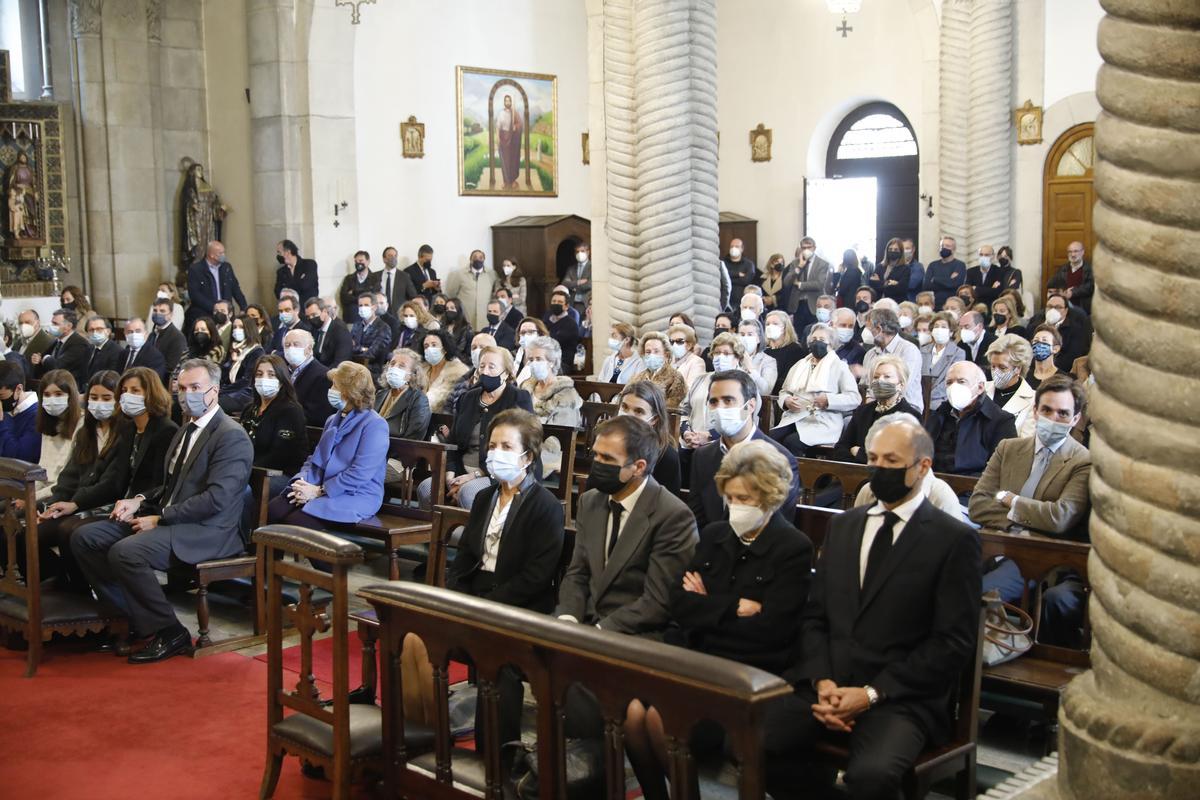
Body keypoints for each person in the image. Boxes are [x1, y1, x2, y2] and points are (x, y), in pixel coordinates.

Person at [763, 414, 981, 800]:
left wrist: (870, 694)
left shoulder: (952, 540)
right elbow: (815, 617)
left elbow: (952, 643)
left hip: (900, 698)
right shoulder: (845, 526)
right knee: (753, 742)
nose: (879, 470)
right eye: (873, 460)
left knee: (871, 777)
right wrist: (823, 681)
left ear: (922, 467)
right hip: (830, 684)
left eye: (891, 462)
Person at [625, 439, 813, 800]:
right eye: (732, 498)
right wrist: (732, 609)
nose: (736, 507)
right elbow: (679, 604)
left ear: (770, 498)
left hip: (747, 674)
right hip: (698, 660)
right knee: (633, 714)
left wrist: (708, 605)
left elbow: (771, 630)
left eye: (746, 499)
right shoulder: (714, 535)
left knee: (657, 721)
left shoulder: (792, 547)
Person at [391, 409, 565, 746]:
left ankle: (497, 760)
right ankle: (424, 739)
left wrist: (486, 606)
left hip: (520, 605)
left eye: (506, 447)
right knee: (412, 636)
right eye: (493, 445)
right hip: (478, 595)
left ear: (527, 457)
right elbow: (467, 556)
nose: (495, 453)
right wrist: (459, 596)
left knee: (498, 663)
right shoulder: (486, 497)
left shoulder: (544, 505)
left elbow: (537, 576)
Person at [72, 359, 253, 662]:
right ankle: (130, 620)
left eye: (195, 388)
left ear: (215, 391)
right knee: (86, 538)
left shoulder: (230, 435)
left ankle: (170, 631)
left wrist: (160, 518)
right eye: (182, 388)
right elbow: (170, 485)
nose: (187, 395)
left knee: (127, 552)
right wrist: (139, 500)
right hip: (173, 518)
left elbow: (216, 500)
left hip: (209, 530)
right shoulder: (185, 431)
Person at [968, 375, 1091, 645]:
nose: (1053, 418)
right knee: (939, 584)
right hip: (994, 546)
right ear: (1035, 410)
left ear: (1074, 419)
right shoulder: (1009, 448)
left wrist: (1010, 500)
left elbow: (1060, 517)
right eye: (1046, 410)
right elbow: (978, 505)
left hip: (1039, 558)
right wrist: (1021, 521)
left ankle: (979, 668)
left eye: (1063, 413)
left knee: (977, 594)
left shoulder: (1082, 461)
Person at [556, 415, 698, 637]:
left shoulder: (673, 516)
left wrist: (599, 632)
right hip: (584, 623)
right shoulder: (591, 501)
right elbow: (578, 573)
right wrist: (568, 618)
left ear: (639, 467)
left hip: (635, 634)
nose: (597, 464)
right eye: (596, 455)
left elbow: (657, 601)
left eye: (608, 458)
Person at [39, 368, 176, 595]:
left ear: (150, 393)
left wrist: (136, 504)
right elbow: (113, 477)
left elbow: (161, 484)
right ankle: (75, 591)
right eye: (124, 390)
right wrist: (74, 503)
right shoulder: (129, 428)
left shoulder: (165, 430)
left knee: (72, 531)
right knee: (65, 527)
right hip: (118, 502)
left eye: (135, 390)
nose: (128, 395)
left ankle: (98, 597)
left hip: (144, 507)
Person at [267, 362, 388, 534]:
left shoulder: (375, 425)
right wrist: (303, 482)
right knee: (274, 509)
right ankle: (269, 560)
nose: (331, 390)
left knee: (297, 520)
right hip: (319, 487)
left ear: (350, 391)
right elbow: (314, 459)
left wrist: (319, 491)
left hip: (355, 494)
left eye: (335, 386)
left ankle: (338, 560)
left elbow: (360, 473)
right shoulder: (333, 419)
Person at [690, 369, 800, 530]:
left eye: (728, 400)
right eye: (713, 402)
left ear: (750, 406)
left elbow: (779, 527)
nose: (719, 408)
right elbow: (697, 518)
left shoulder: (781, 458)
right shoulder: (702, 456)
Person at [427, 346, 533, 510]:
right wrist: (450, 474)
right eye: (482, 366)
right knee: (427, 488)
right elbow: (453, 441)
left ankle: (475, 535)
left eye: (492, 367)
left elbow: (523, 445)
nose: (485, 371)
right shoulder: (468, 397)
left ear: (506, 373)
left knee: (468, 492)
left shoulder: (518, 398)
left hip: (498, 472)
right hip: (461, 469)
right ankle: (435, 535)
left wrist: (474, 476)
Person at [770, 324, 861, 457]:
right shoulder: (800, 364)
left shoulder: (840, 367)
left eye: (822, 340)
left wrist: (828, 400)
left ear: (831, 344)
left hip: (822, 422)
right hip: (796, 416)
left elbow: (854, 398)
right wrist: (787, 400)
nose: (816, 343)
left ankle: (799, 476)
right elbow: (784, 391)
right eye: (814, 339)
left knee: (792, 442)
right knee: (771, 439)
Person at [925, 360, 1018, 475]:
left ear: (980, 387)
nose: (954, 387)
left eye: (961, 381)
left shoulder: (1001, 421)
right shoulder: (939, 414)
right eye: (949, 382)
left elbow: (1001, 471)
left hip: (971, 488)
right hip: (932, 483)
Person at [834, 355, 920, 463]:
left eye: (887, 377)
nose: (880, 381)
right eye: (876, 377)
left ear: (901, 384)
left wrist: (859, 453)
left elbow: (899, 459)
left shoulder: (910, 416)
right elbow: (840, 449)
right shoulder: (862, 411)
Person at [238, 354, 309, 475]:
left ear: (281, 380)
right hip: (246, 471)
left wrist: (245, 470)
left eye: (271, 375)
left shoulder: (291, 411)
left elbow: (279, 456)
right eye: (259, 374)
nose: (264, 379)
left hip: (276, 475)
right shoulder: (249, 409)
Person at [520, 336, 582, 478]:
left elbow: (558, 440)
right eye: (530, 359)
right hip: (521, 447)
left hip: (548, 454)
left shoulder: (566, 395)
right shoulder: (525, 388)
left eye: (539, 359)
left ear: (552, 362)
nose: (533, 363)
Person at [679, 332, 745, 457]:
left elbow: (744, 416)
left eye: (726, 353)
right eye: (717, 353)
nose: (720, 357)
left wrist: (709, 435)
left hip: (726, 446)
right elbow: (684, 410)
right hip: (690, 442)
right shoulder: (701, 379)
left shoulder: (745, 382)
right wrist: (686, 433)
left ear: (737, 357)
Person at [617, 381, 681, 496]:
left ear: (653, 419)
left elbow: (668, 505)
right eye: (624, 407)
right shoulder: (606, 445)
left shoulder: (667, 456)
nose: (629, 415)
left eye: (638, 411)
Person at [861, 307, 924, 413]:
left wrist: (873, 400)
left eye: (869, 328)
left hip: (906, 407)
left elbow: (903, 385)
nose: (867, 332)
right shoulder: (870, 354)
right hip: (874, 406)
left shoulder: (909, 350)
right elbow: (865, 385)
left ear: (879, 329)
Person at [35, 369, 83, 500]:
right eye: (47, 395)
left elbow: (68, 480)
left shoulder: (82, 424)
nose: (52, 400)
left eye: (58, 394)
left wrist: (32, 498)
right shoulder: (48, 423)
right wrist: (27, 495)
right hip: (41, 491)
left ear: (70, 396)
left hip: (63, 493)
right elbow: (42, 470)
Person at [185, 240, 248, 332]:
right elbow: (195, 295)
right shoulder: (196, 269)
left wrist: (243, 307)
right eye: (221, 253)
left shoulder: (226, 267)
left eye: (224, 252)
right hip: (205, 313)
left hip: (226, 313)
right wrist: (215, 308)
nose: (224, 255)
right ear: (211, 255)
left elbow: (235, 288)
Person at [985, 334, 1037, 437]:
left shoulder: (1033, 400)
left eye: (1002, 367)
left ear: (1017, 368)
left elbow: (1025, 442)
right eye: (993, 366)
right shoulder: (981, 389)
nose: (996, 372)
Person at [1027, 293, 1093, 373]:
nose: (1053, 310)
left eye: (1058, 307)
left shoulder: (1075, 330)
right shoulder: (1034, 325)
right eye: (1050, 306)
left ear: (1065, 311)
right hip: (1033, 371)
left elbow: (1071, 358)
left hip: (1060, 373)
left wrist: (1049, 368)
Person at [376, 348, 432, 439]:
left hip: (396, 449)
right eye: (392, 364)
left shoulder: (418, 399)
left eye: (401, 366)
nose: (394, 368)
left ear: (412, 375)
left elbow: (414, 436)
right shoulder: (380, 394)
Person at [284, 328, 335, 426]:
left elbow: (316, 416)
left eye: (296, 344)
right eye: (287, 345)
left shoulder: (322, 376)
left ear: (309, 348)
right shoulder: (284, 370)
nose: (291, 348)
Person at [217, 314, 264, 413]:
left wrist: (222, 391)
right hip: (230, 391)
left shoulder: (256, 352)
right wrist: (232, 361)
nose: (236, 330)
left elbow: (247, 381)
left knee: (215, 404)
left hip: (245, 394)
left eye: (241, 327)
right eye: (234, 327)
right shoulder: (235, 349)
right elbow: (224, 377)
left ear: (249, 329)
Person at [921, 311, 966, 411]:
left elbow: (952, 380)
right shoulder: (922, 350)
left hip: (941, 401)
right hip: (921, 399)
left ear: (951, 332)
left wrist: (929, 396)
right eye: (936, 326)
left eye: (944, 327)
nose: (939, 329)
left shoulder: (958, 353)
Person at [628, 331, 686, 406]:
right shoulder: (638, 377)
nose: (652, 355)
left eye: (656, 351)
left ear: (666, 354)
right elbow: (624, 396)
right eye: (648, 352)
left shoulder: (675, 377)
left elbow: (674, 406)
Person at [36, 308, 89, 388]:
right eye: (52, 323)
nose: (52, 326)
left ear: (69, 326)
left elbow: (57, 366)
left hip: (71, 387)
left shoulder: (79, 343)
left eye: (55, 324)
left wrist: (45, 358)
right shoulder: (57, 341)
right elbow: (41, 358)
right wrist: (40, 359)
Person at [422, 329, 471, 414]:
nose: (429, 349)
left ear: (444, 349)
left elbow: (438, 402)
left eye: (434, 345)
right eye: (426, 346)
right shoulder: (422, 369)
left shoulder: (457, 371)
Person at [444, 249, 496, 330]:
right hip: (465, 318)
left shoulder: (491, 274)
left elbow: (495, 293)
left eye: (481, 257)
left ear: (484, 260)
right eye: (475, 257)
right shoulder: (459, 274)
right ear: (470, 259)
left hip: (484, 319)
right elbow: (451, 294)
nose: (478, 259)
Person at [0, 359, 40, 462]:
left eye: (1, 396)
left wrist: (3, 419)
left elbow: (19, 457)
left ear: (18, 389)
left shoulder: (37, 416)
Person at [350, 291, 394, 376]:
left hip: (373, 371)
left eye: (366, 305)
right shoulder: (357, 325)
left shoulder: (384, 328)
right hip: (355, 368)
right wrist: (362, 349)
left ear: (374, 307)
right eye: (360, 305)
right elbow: (349, 347)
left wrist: (356, 348)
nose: (362, 308)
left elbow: (372, 354)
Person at [763, 311, 806, 395]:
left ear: (785, 327)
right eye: (767, 324)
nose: (770, 327)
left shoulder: (795, 350)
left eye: (775, 324)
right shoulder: (765, 351)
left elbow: (789, 379)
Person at [1046, 241, 1094, 316]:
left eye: (1076, 251)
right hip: (1063, 306)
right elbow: (1056, 283)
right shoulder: (1063, 269)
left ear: (1082, 252)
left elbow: (1091, 286)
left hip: (1083, 307)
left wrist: (1073, 292)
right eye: (1070, 252)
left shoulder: (1090, 269)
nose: (1073, 254)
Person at [303, 296, 350, 367]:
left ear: (325, 311)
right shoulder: (313, 330)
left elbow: (340, 363)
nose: (311, 319)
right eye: (308, 317)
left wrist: (321, 375)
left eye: (314, 315)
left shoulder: (340, 331)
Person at [923, 235, 967, 309]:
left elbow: (956, 285)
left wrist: (935, 279)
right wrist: (949, 280)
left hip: (953, 305)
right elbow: (926, 286)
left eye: (947, 246)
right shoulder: (932, 265)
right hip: (935, 305)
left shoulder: (960, 265)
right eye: (942, 246)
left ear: (954, 249)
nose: (944, 248)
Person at [966, 243, 1015, 309]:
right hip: (974, 307)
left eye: (986, 255)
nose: (983, 257)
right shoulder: (971, 271)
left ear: (993, 256)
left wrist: (977, 289)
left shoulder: (1000, 272)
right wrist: (990, 289)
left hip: (992, 307)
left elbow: (998, 292)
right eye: (981, 255)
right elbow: (968, 291)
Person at [118, 318, 167, 383]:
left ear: (146, 334)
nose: (133, 335)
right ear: (125, 334)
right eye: (130, 332)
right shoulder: (123, 353)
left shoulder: (155, 356)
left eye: (138, 331)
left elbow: (153, 382)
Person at [338, 250, 381, 324]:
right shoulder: (348, 278)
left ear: (368, 262)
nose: (358, 263)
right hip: (351, 319)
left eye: (361, 260)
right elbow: (344, 298)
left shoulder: (376, 278)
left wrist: (353, 292)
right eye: (356, 261)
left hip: (370, 320)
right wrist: (365, 293)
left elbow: (373, 297)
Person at [147, 299, 188, 377]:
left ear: (170, 315)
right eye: (155, 310)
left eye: (162, 311)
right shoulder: (152, 335)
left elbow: (171, 366)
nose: (157, 313)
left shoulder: (177, 337)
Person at [737, 318, 777, 395]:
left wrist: (751, 369)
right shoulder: (732, 356)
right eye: (742, 334)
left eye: (750, 334)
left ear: (758, 338)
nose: (745, 338)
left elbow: (766, 391)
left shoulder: (768, 361)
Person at [544, 288, 581, 367]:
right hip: (546, 360)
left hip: (562, 363)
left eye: (560, 302)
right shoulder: (546, 319)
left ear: (566, 306)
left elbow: (554, 342)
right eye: (554, 301)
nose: (556, 304)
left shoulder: (571, 324)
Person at [1026, 324, 1069, 390]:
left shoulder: (1063, 379)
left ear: (1055, 349)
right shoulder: (1025, 375)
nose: (1039, 344)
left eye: (1044, 340)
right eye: (1036, 341)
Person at [868, 237, 910, 303]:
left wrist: (879, 282)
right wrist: (888, 283)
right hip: (879, 301)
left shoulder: (905, 268)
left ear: (901, 252)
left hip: (896, 302)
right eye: (890, 249)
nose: (893, 251)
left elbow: (901, 289)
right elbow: (872, 284)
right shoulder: (880, 266)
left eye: (896, 250)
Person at [83, 315, 125, 381]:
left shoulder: (117, 351)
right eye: (91, 330)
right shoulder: (89, 349)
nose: (95, 333)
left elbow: (112, 377)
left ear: (108, 331)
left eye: (99, 329)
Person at [377, 245, 419, 310]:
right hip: (379, 313)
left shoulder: (404, 276)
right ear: (384, 259)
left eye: (395, 256)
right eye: (390, 256)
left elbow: (413, 296)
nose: (393, 258)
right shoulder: (375, 276)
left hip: (398, 315)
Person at [666, 324, 706, 389]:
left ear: (689, 345)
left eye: (679, 341)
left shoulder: (697, 362)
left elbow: (691, 389)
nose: (674, 345)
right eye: (672, 342)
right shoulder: (668, 361)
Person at [562, 242, 591, 314]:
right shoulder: (571, 268)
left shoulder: (593, 267)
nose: (579, 254)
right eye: (577, 251)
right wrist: (578, 282)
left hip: (586, 303)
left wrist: (573, 286)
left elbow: (589, 285)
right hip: (573, 303)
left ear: (588, 252)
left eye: (582, 251)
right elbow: (564, 283)